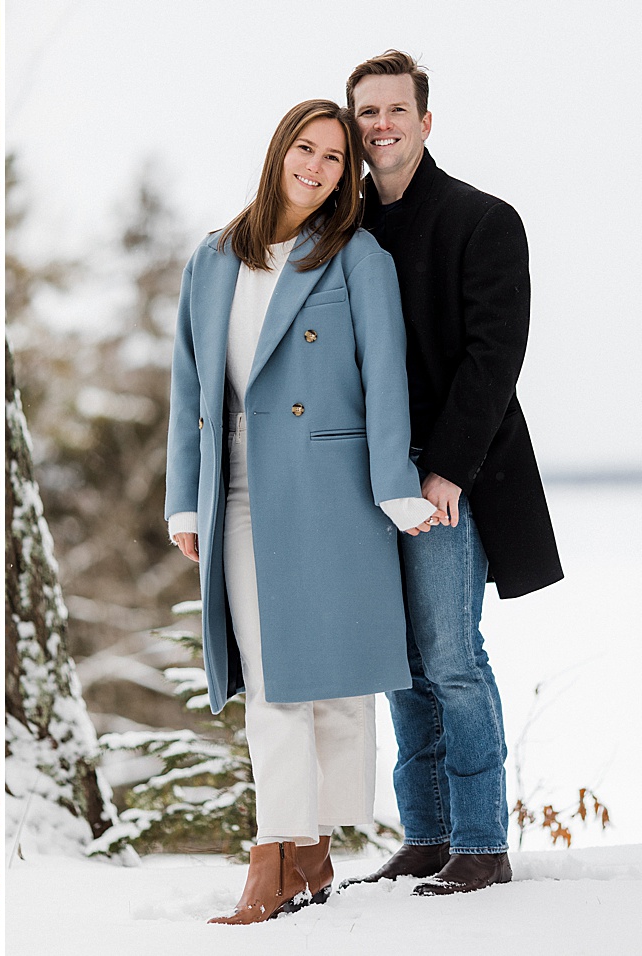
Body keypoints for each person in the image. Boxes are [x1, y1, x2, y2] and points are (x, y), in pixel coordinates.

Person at [166, 98, 443, 925]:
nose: (317, 168)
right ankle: (285, 849)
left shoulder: (355, 256)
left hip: (335, 487)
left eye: (334, 157)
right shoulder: (212, 260)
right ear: (279, 150)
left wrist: (394, 483)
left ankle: (297, 851)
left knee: (330, 680)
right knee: (272, 673)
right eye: (305, 148)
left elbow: (386, 374)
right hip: (239, 488)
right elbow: (190, 390)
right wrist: (185, 497)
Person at [342, 51, 563, 897]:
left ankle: (480, 843)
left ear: (425, 122)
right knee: (399, 661)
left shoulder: (482, 220)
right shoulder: (347, 227)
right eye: (368, 113)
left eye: (397, 110)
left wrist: (446, 473)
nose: (382, 125)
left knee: (450, 655)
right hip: (370, 482)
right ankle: (425, 835)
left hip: (452, 480)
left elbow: (493, 358)